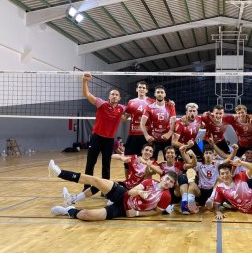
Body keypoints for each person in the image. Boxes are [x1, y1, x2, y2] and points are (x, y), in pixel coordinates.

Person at [49, 160, 177, 221]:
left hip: (123, 209)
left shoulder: (166, 196)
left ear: (172, 186)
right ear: (162, 178)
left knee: (87, 215)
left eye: (171, 182)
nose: (167, 182)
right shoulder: (150, 182)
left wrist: (137, 214)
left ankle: (68, 210)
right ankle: (60, 173)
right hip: (122, 194)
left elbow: (156, 212)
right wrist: (139, 192)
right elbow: (131, 192)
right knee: (97, 181)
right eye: (167, 179)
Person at [62, 144, 162, 206]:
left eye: (150, 151)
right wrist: (121, 158)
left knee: (110, 202)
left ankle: (116, 202)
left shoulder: (153, 162)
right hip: (124, 186)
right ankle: (73, 199)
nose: (148, 152)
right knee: (99, 184)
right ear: (142, 151)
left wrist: (150, 166)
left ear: (152, 154)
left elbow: (160, 171)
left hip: (136, 191)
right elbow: (112, 155)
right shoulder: (134, 158)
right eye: (146, 150)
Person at [81, 73, 126, 191]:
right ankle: (86, 187)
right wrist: (84, 81)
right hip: (97, 138)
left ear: (119, 98)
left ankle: (106, 190)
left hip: (109, 141)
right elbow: (87, 94)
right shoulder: (102, 103)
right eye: (112, 94)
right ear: (109, 96)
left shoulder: (121, 108)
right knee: (90, 164)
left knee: (106, 166)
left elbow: (133, 111)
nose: (115, 96)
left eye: (117, 95)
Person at [141, 85, 176, 158]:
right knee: (150, 161)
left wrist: (169, 133)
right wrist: (146, 135)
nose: (160, 94)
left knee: (169, 161)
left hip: (166, 139)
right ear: (155, 94)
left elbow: (174, 122)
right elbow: (142, 123)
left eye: (162, 92)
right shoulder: (149, 107)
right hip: (153, 139)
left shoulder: (170, 106)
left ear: (165, 94)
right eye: (158, 92)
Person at [123, 81, 155, 156]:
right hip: (133, 134)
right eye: (140, 87)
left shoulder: (152, 102)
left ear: (146, 90)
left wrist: (170, 105)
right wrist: (114, 111)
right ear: (136, 89)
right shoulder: (131, 102)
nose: (141, 89)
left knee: (145, 159)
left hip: (146, 135)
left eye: (144, 88)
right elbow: (125, 118)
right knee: (128, 158)